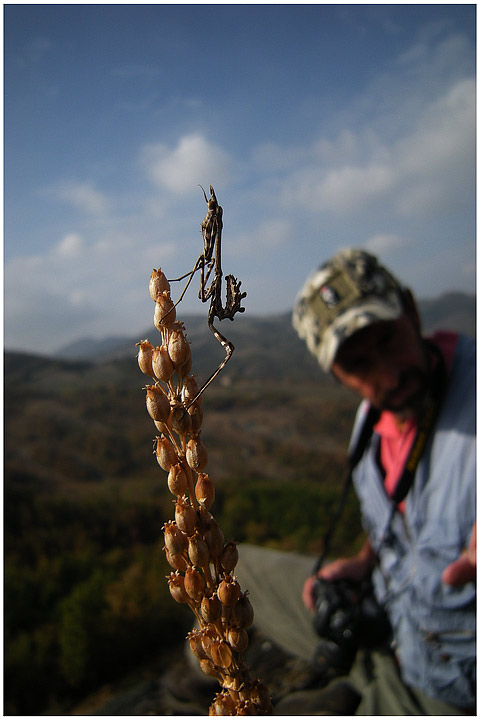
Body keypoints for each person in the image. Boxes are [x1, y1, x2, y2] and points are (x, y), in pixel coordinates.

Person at [236, 248, 475, 715]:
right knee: (226, 571)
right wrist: (365, 562)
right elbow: (406, 515)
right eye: (357, 363)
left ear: (412, 308)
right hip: (385, 623)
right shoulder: (370, 422)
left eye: (387, 339)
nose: (386, 374)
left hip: (448, 686)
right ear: (333, 375)